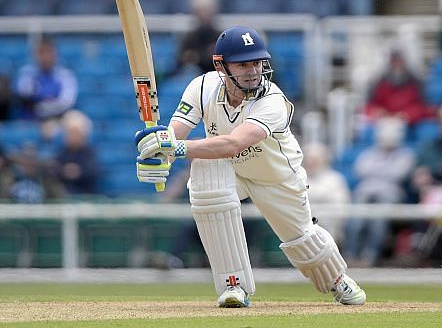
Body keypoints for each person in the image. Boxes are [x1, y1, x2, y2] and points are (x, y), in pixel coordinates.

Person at [134, 26, 366, 307]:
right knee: (207, 175)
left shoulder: (273, 100)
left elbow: (233, 143)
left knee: (302, 241)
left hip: (276, 177)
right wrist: (161, 154)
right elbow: (175, 132)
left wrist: (175, 148)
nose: (253, 71)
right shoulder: (202, 87)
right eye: (243, 64)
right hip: (231, 170)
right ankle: (234, 285)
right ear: (221, 65)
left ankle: (338, 279)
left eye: (257, 62)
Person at [344, 117, 415, 267]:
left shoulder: (405, 155)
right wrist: (384, 173)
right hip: (366, 192)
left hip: (391, 193)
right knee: (356, 219)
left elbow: (399, 174)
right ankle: (351, 255)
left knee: (378, 220)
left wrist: (376, 174)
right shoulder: (369, 154)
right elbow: (360, 170)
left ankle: (370, 256)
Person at [363, 50, 436, 126]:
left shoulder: (416, 82)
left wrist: (407, 115)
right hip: (384, 123)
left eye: (399, 61)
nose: (396, 64)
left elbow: (423, 107)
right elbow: (370, 105)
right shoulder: (379, 83)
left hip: (411, 124)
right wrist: (377, 112)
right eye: (394, 61)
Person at [15, 36, 78, 121]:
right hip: (30, 119)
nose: (45, 57)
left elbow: (66, 102)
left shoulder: (65, 75)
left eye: (48, 52)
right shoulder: (26, 72)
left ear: (55, 54)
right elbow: (23, 94)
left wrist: (42, 107)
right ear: (35, 55)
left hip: (57, 119)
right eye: (41, 53)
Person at [301, 143, 351, 246]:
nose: (312, 163)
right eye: (309, 159)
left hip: (329, 224)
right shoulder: (298, 178)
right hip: (302, 224)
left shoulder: (335, 178)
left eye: (316, 159)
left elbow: (341, 204)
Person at [170, 0, 221, 78]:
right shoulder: (188, 38)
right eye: (200, 10)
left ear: (214, 10)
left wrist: (197, 57)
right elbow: (180, 61)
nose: (204, 14)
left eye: (206, 9)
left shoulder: (221, 37)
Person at [50, 110, 99, 196]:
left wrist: (78, 173)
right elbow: (53, 170)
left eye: (76, 133)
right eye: (70, 133)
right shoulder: (61, 152)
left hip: (86, 196)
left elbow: (93, 173)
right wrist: (64, 172)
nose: (73, 136)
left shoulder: (89, 153)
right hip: (62, 197)